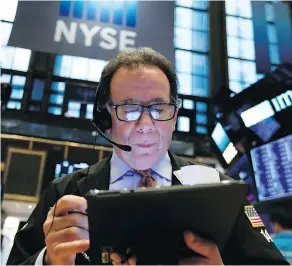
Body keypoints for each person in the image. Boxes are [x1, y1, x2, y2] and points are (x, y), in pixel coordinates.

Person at [7, 47, 288, 265]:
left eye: (159, 108)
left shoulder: (219, 189)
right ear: (106, 118)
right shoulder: (64, 193)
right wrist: (47, 261)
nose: (145, 124)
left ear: (174, 116)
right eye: (129, 109)